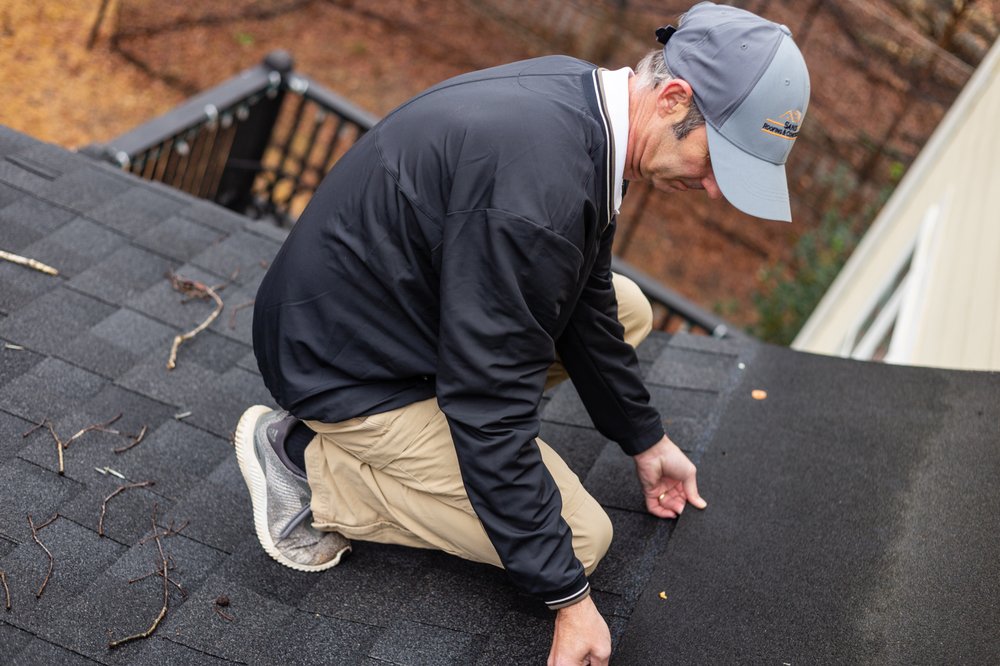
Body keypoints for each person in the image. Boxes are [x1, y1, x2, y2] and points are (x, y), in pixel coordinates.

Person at [234, 2, 809, 663]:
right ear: (675, 97)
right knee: (581, 541)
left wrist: (644, 439)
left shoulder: (583, 108)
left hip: (390, 318)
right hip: (343, 370)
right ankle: (308, 461)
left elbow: (585, 297)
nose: (713, 191)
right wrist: (568, 599)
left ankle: (438, 454)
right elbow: (488, 402)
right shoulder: (540, 194)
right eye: (717, 163)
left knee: (628, 308)